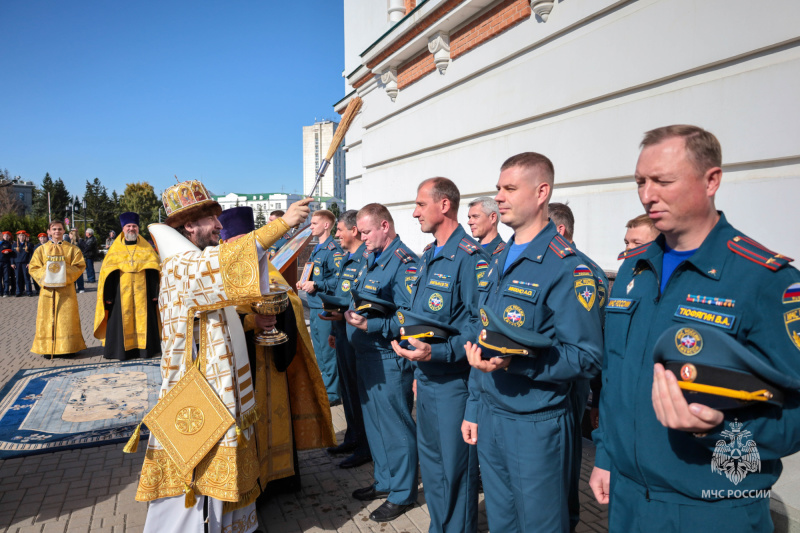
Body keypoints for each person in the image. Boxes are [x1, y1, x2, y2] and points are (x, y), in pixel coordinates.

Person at [589, 125, 800, 532]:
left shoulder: (765, 280)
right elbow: (616, 376)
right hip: (628, 500)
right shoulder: (635, 268)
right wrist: (605, 457)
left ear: (711, 180)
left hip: (713, 508)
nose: (648, 195)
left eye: (663, 181)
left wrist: (722, 431)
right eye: (640, 182)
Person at [132, 179, 316, 533]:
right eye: (212, 219)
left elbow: (220, 312)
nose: (219, 226)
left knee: (227, 472)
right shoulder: (179, 265)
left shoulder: (195, 260)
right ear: (189, 225)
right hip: (198, 395)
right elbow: (226, 263)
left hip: (221, 389)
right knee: (195, 482)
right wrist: (283, 223)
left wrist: (250, 319)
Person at [461, 152, 603, 532]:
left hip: (535, 424)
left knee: (540, 525)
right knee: (502, 523)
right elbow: (485, 336)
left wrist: (518, 364)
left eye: (510, 189)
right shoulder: (498, 259)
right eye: (498, 188)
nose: (500, 197)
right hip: (491, 414)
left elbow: (587, 358)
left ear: (542, 192)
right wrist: (474, 406)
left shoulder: (567, 267)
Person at [218, 206, 334, 504]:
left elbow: (292, 301)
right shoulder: (218, 271)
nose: (245, 248)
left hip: (272, 362)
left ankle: (279, 478)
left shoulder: (265, 265)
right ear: (227, 244)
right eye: (238, 243)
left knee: (275, 417)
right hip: (242, 365)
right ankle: (251, 481)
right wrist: (248, 321)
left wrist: (278, 314)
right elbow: (215, 319)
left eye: (248, 240)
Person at [391, 177, 486, 533]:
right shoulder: (430, 255)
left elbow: (481, 329)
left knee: (455, 472)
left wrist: (441, 352)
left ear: (443, 205)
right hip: (427, 380)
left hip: (455, 385)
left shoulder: (471, 259)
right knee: (432, 469)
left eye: (420, 204)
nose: (414, 212)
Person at [343, 203, 419, 523]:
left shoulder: (405, 263)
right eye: (359, 232)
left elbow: (409, 315)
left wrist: (372, 326)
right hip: (366, 356)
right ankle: (385, 481)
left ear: (384, 226)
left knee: (395, 427)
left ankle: (402, 493)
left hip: (387, 357)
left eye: (366, 231)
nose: (361, 237)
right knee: (375, 425)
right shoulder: (368, 257)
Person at [549, 201, 608, 532]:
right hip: (570, 376)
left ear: (560, 231)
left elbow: (595, 338)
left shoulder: (579, 270)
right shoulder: (585, 268)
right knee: (564, 454)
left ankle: (566, 518)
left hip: (569, 378)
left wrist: (598, 396)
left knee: (563, 455)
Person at [319, 209, 372, 469]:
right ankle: (352, 437)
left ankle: (364, 446)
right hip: (341, 331)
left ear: (354, 230)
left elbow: (363, 300)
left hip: (356, 335)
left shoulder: (366, 258)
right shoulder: (348, 258)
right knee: (348, 392)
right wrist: (332, 330)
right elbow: (341, 294)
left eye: (339, 230)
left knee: (358, 392)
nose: (336, 234)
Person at [93, 213, 161, 360]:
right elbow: (107, 274)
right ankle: (122, 351)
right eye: (128, 226)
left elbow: (154, 271)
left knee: (145, 320)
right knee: (121, 321)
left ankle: (145, 350)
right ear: (123, 228)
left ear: (138, 228)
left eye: (134, 226)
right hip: (120, 293)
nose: (131, 229)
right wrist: (109, 296)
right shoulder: (115, 249)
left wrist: (155, 293)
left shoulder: (146, 248)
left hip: (144, 293)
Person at [296, 209, 344, 405]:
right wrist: (305, 281)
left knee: (328, 351)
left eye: (314, 223)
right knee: (321, 352)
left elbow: (340, 279)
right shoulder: (317, 248)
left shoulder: (334, 250)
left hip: (325, 306)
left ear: (326, 225)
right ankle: (325, 387)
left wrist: (317, 285)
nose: (311, 226)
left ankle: (332, 393)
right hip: (315, 306)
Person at [28, 220, 87, 357]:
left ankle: (68, 348)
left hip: (66, 291)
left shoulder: (72, 249)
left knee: (66, 319)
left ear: (63, 231)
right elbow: (33, 267)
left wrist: (63, 273)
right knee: (47, 319)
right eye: (54, 229)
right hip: (47, 291)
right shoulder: (40, 250)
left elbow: (79, 266)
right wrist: (46, 274)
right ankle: (48, 348)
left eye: (59, 229)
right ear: (49, 231)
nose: (57, 232)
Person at [12, 230, 36, 297]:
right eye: (20, 235)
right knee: (18, 278)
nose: (22, 237)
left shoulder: (28, 244)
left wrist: (29, 263)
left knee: (27, 278)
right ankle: (19, 291)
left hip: (25, 264)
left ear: (25, 237)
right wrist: (12, 263)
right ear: (18, 236)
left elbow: (31, 255)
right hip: (17, 264)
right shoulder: (14, 245)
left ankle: (29, 292)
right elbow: (12, 255)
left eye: (23, 236)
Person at [69, 229, 85, 293]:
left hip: (78, 260)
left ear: (73, 235)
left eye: (70, 234)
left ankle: (81, 288)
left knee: (79, 274)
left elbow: (84, 249)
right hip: (71, 260)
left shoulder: (80, 241)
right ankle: (73, 288)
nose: (69, 235)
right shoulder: (70, 242)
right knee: (72, 274)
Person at [0, 231, 13, 297]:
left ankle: (6, 292)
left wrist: (8, 252)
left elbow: (11, 253)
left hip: (6, 262)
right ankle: (0, 292)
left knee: (6, 278)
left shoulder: (7, 243)